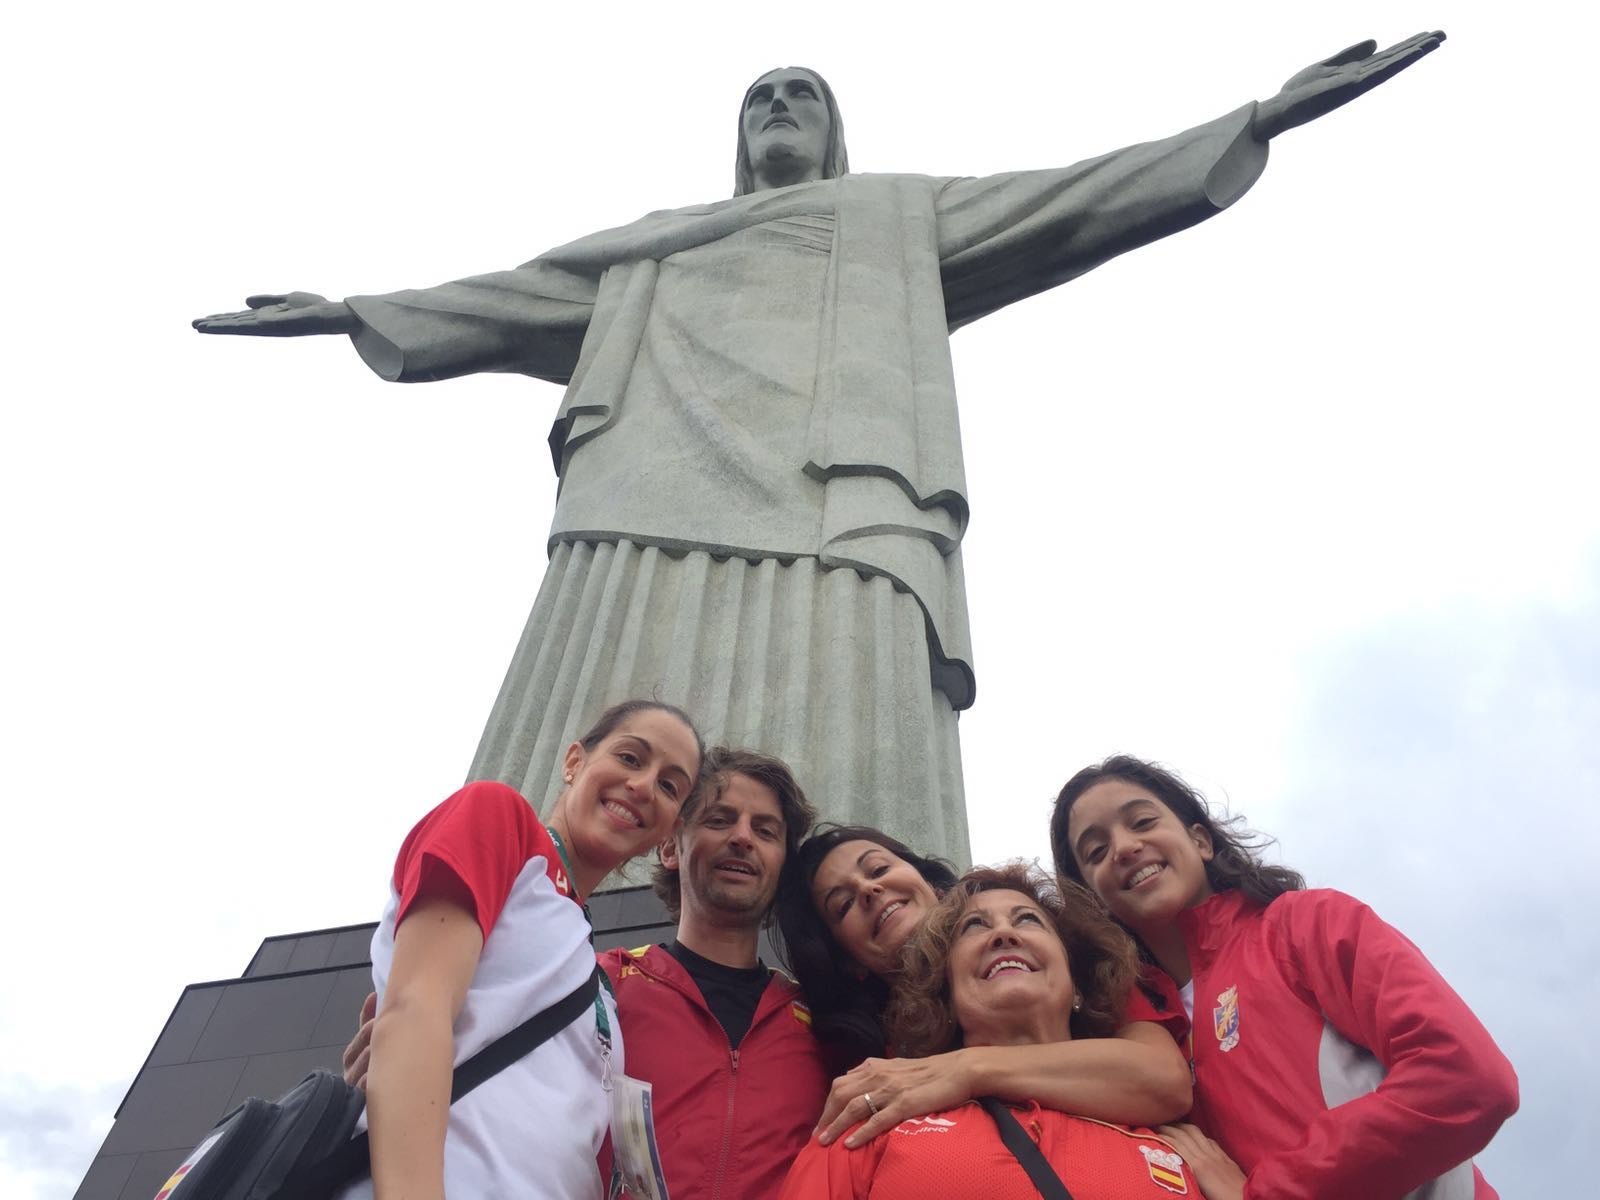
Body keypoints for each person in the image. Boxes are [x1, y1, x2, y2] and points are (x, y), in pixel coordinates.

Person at [192, 37, 1445, 864]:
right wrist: (354, 311)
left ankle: (855, 906)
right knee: (592, 706)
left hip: (844, 499)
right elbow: (508, 294)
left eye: (803, 95)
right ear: (738, 136)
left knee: (843, 720)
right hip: (641, 488)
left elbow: (1076, 197)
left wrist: (1260, 116)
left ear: (833, 133)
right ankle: (519, 898)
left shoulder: (894, 214)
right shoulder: (655, 242)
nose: (780, 109)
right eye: (760, 97)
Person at [1051, 756, 1520, 1200]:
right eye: (1096, 851)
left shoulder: (1305, 924)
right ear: (1092, 899)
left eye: (1143, 822)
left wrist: (1269, 1193)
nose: (1125, 848)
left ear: (1201, 841)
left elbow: (1466, 1078)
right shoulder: (1141, 1043)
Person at [347, 699, 702, 1200]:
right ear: (574, 761)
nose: (643, 786)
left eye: (670, 786)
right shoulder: (500, 821)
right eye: (629, 757)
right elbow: (416, 1008)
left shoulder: (595, 976)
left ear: (667, 830)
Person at [779, 863, 1230, 1198]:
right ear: (945, 992)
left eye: (1027, 919)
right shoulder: (879, 1119)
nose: (1003, 935)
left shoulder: (1178, 1147)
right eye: (974, 926)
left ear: (1074, 979)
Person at [775, 826, 1193, 1146]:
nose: (868, 889)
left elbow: (1163, 1079)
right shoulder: (874, 1064)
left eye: (879, 869)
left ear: (932, 885)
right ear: (849, 963)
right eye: (843, 904)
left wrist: (968, 1069)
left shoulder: (1053, 964)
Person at [601, 746, 834, 1199]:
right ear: (670, 846)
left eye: (765, 831)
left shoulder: (824, 1022)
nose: (743, 837)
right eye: (719, 819)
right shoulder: (601, 988)